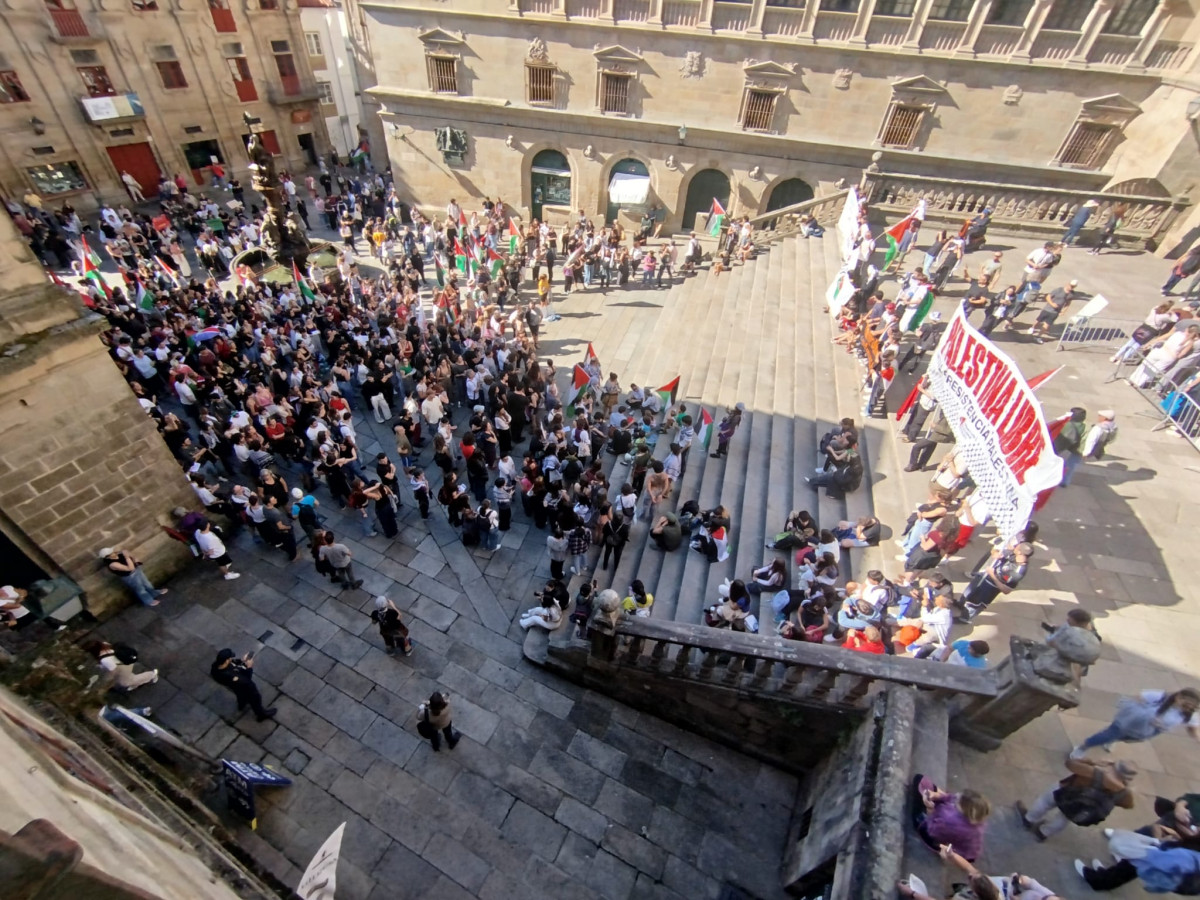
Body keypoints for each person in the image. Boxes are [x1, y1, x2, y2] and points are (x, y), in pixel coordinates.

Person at [1017, 756, 1137, 841]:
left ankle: (1029, 819)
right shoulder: (1125, 793)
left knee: (1044, 802)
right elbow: (1128, 805)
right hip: (1080, 807)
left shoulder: (1093, 772)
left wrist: (1092, 761)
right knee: (1064, 819)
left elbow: (1070, 763)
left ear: (1113, 766)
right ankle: (1043, 833)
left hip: (1064, 791)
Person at [1072, 689, 1200, 758]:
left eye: (1190, 707)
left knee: (1127, 738)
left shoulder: (1189, 715)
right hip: (1132, 720)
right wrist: (1145, 713)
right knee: (1109, 734)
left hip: (1150, 730)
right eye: (1186, 705)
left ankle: (1112, 739)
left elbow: (1192, 728)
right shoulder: (1161, 696)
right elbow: (1140, 696)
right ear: (1178, 697)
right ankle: (1083, 746)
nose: (1187, 709)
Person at [911, 774, 991, 862]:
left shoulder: (951, 822)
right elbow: (951, 797)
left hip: (946, 843)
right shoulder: (976, 817)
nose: (956, 798)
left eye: (958, 802)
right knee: (921, 781)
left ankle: (936, 848)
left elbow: (932, 830)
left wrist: (930, 808)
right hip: (967, 849)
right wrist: (935, 795)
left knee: (920, 821)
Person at [1073, 844, 1200, 893]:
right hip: (1158, 871)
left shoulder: (1184, 858)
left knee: (1125, 870)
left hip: (1146, 862)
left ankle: (1096, 881)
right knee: (1124, 871)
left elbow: (1154, 858)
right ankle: (1104, 875)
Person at [961, 542, 1031, 618]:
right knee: (969, 593)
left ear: (1020, 552)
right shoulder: (1013, 555)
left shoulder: (1018, 572)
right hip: (984, 578)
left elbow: (1006, 590)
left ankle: (965, 618)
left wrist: (992, 575)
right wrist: (996, 554)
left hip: (990, 588)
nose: (1015, 546)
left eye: (1017, 547)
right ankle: (960, 604)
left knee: (975, 604)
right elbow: (994, 551)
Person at [210, 648, 275, 721]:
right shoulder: (231, 676)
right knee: (255, 698)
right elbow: (246, 680)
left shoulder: (216, 666)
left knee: (240, 695)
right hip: (244, 687)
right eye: (230, 658)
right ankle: (261, 714)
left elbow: (233, 663)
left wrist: (242, 661)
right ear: (227, 660)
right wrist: (249, 667)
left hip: (235, 687)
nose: (232, 659)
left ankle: (242, 704)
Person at [99, 547, 168, 607]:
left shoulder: (118, 554)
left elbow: (131, 556)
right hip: (130, 576)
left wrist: (133, 558)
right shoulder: (112, 564)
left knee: (146, 583)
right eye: (112, 552)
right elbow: (130, 568)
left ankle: (154, 593)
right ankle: (149, 601)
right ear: (108, 556)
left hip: (137, 570)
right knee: (140, 589)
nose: (114, 552)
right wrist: (127, 557)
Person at [84, 640, 158, 692]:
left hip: (122, 666)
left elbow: (113, 671)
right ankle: (135, 682)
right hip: (124, 661)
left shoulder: (104, 660)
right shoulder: (105, 645)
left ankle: (152, 675)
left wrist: (106, 679)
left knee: (125, 683)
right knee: (126, 677)